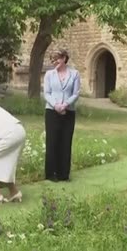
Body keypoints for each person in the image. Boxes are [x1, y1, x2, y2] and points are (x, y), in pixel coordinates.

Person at [43, 49, 81, 182]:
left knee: (66, 142)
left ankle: (63, 174)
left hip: (68, 111)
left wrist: (65, 105)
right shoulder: (49, 74)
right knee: (52, 141)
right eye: (52, 60)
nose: (55, 62)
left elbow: (75, 93)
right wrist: (56, 105)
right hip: (52, 111)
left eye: (57, 59)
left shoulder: (75, 74)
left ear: (64, 58)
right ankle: (50, 173)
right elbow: (47, 93)